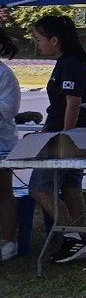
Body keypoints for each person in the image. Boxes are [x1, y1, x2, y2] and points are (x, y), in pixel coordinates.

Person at [30, 15, 86, 265]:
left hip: (64, 136)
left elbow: (73, 103)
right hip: (65, 134)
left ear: (55, 40)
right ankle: (79, 239)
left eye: (38, 39)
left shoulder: (71, 64)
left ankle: (73, 237)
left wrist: (65, 136)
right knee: (70, 188)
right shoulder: (68, 62)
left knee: (39, 187)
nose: (37, 44)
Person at [0, 30, 21, 262]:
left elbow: (7, 110)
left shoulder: (5, 75)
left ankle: (8, 241)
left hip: (1, 143)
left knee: (3, 191)